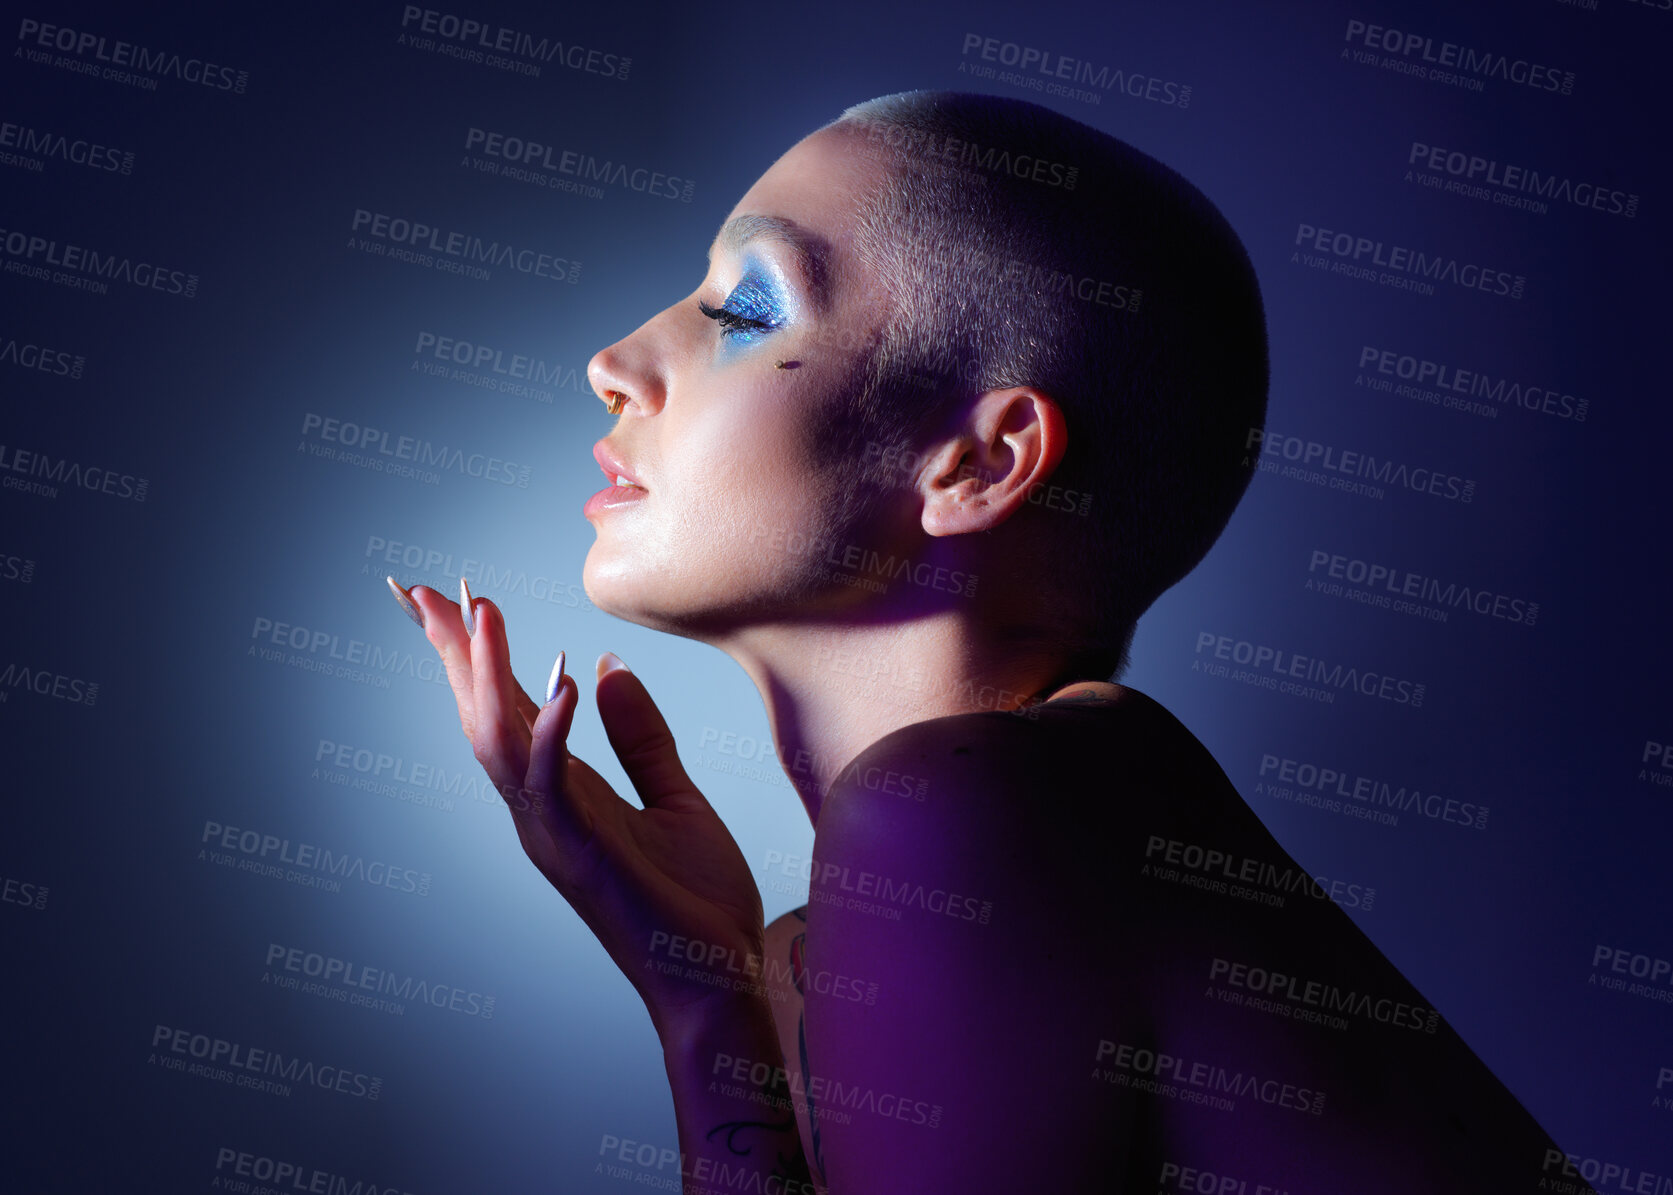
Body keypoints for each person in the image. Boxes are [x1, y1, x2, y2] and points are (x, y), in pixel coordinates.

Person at [387, 92, 1593, 1194]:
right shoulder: (906, 890)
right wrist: (706, 995)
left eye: (741, 311)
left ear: (978, 463)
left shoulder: (964, 818)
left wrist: (712, 1022)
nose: (613, 364)